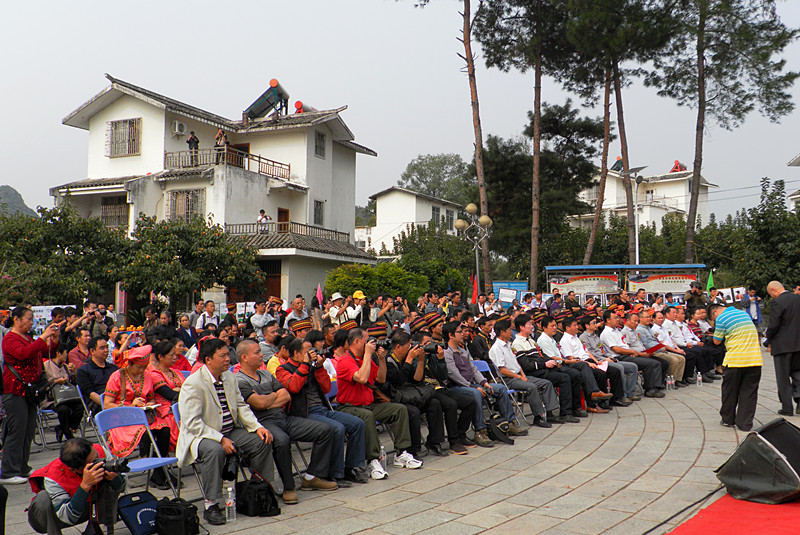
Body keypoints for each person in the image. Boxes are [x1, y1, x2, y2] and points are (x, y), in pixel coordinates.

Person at [176, 338, 273, 525]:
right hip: (202, 436)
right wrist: (220, 439)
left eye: (228, 355)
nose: (228, 359)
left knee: (262, 439)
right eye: (222, 356)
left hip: (230, 430)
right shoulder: (193, 383)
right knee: (215, 450)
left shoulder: (229, 377)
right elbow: (192, 423)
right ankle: (211, 504)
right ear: (208, 360)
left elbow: (241, 406)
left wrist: (257, 426)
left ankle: (258, 491)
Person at [237, 339, 337, 503]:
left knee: (325, 430)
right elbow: (258, 404)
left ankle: (312, 476)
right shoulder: (240, 380)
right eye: (257, 352)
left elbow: (286, 396)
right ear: (244, 357)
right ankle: (289, 487)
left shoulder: (266, 374)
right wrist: (272, 398)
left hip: (283, 418)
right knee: (281, 441)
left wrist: (266, 400)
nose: (262, 354)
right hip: (263, 422)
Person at [276, 338, 368, 486]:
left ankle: (351, 467)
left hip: (322, 410)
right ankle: (335, 474)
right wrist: (305, 365)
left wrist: (319, 368)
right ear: (295, 353)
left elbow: (325, 389)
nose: (311, 354)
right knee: (337, 428)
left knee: (357, 424)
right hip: (304, 414)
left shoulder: (312, 367)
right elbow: (293, 387)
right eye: (307, 352)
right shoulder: (283, 369)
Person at [333, 328, 422, 480]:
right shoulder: (345, 360)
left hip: (368, 404)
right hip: (349, 407)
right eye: (367, 340)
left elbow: (380, 379)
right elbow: (361, 378)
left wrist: (381, 359)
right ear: (357, 341)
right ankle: (372, 460)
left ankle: (402, 453)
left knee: (399, 410)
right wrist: (368, 354)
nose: (371, 344)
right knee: (367, 416)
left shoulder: (366, 358)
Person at [0, 307, 60, 484]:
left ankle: (22, 466)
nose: (31, 323)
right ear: (16, 319)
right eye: (28, 319)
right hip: (14, 390)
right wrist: (43, 337)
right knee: (16, 431)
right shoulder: (10, 338)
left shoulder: (27, 337)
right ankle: (8, 471)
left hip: (29, 391)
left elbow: (39, 352)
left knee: (28, 430)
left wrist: (53, 340)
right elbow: (23, 354)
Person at [103, 345, 174, 489]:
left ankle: (159, 471)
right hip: (122, 419)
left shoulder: (146, 375)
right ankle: (159, 473)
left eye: (144, 367)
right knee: (147, 433)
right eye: (139, 367)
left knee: (165, 430)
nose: (142, 371)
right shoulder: (117, 376)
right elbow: (107, 404)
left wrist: (149, 404)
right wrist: (129, 405)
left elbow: (152, 398)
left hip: (143, 416)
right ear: (130, 364)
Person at [27, 438, 127, 535]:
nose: (99, 461)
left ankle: (93, 531)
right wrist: (85, 486)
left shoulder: (100, 451)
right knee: (43, 498)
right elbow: (68, 517)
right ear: (74, 470)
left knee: (106, 486)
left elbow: (121, 488)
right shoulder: (54, 477)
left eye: (97, 455)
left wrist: (115, 479)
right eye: (93, 461)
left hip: (87, 507)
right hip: (49, 518)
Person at [443, 321, 516, 446]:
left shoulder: (463, 351)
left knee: (500, 388)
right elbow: (454, 375)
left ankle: (509, 422)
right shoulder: (447, 352)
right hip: (457, 387)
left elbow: (473, 369)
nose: (463, 334)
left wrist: (484, 383)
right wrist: (475, 386)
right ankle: (480, 431)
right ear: (451, 335)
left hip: (472, 385)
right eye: (459, 332)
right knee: (476, 393)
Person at [709, 304, 762, 430]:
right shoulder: (744, 314)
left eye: (713, 318)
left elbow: (717, 341)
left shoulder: (722, 318)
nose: (715, 321)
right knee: (749, 393)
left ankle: (728, 419)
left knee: (730, 391)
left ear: (715, 312)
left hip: (734, 361)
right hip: (755, 360)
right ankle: (745, 424)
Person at [600, 309, 665, 398]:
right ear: (608, 320)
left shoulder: (616, 331)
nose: (618, 320)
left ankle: (656, 386)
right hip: (620, 357)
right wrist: (633, 352)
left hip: (628, 354)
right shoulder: (607, 333)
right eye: (615, 318)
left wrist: (632, 352)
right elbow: (616, 349)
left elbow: (625, 345)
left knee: (657, 361)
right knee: (650, 363)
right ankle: (650, 389)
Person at [765, 281, 800, 416]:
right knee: (798, 373)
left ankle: (787, 407)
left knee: (783, 376)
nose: (771, 297)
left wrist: (768, 339)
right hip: (798, 344)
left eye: (770, 294)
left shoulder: (778, 302)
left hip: (783, 345)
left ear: (774, 290)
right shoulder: (798, 299)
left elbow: (773, 325)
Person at [44, 347, 84, 443]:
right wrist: (56, 382)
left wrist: (74, 372)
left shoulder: (65, 366)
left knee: (80, 407)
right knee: (63, 409)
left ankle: (62, 428)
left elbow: (73, 383)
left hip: (67, 396)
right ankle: (68, 433)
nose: (66, 355)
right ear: (58, 353)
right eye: (65, 353)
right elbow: (43, 385)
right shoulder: (45, 366)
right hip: (52, 398)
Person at [77, 337, 119, 418]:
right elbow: (90, 393)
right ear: (92, 351)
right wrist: (108, 404)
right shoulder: (83, 371)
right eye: (102, 348)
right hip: (98, 403)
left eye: (107, 347)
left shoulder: (114, 368)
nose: (106, 350)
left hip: (116, 400)